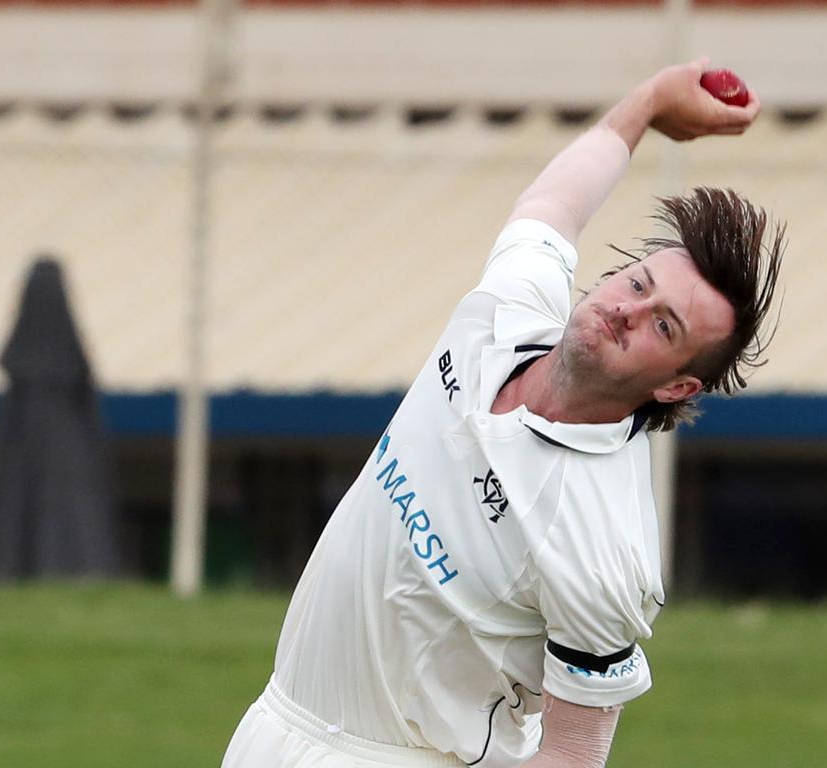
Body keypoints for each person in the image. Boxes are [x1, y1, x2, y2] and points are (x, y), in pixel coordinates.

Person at [222, 59, 785, 768]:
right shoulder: (512, 308)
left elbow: (573, 757)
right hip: (273, 727)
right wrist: (643, 106)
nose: (626, 310)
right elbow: (554, 202)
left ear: (676, 388)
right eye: (637, 284)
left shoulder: (605, 543)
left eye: (663, 326)